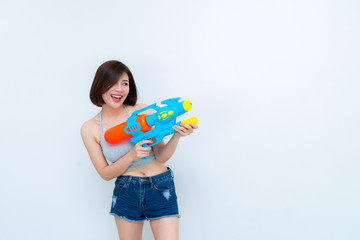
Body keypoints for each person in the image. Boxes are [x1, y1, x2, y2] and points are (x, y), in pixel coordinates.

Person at [80, 60, 198, 240]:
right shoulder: (91, 128)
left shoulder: (142, 111)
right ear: (100, 85)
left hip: (161, 186)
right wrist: (131, 156)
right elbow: (104, 173)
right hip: (126, 191)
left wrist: (177, 135)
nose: (119, 89)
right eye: (113, 82)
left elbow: (161, 156)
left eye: (125, 83)